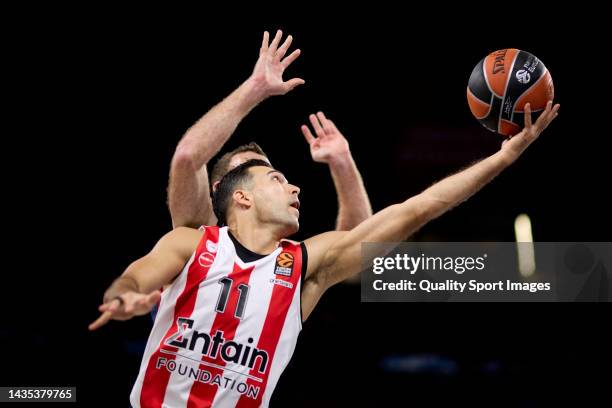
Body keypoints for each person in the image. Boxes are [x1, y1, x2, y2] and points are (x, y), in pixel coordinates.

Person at [89, 96, 560, 407]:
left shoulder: (302, 266)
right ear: (238, 195)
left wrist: (505, 156)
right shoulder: (193, 239)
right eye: (274, 177)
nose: (293, 185)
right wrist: (123, 295)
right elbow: (136, 274)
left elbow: (415, 210)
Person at [167, 30, 371, 231]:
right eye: (247, 169)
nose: (262, 175)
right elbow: (188, 157)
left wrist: (342, 162)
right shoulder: (203, 240)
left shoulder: (293, 257)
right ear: (220, 190)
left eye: (272, 174)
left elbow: (358, 247)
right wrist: (256, 87)